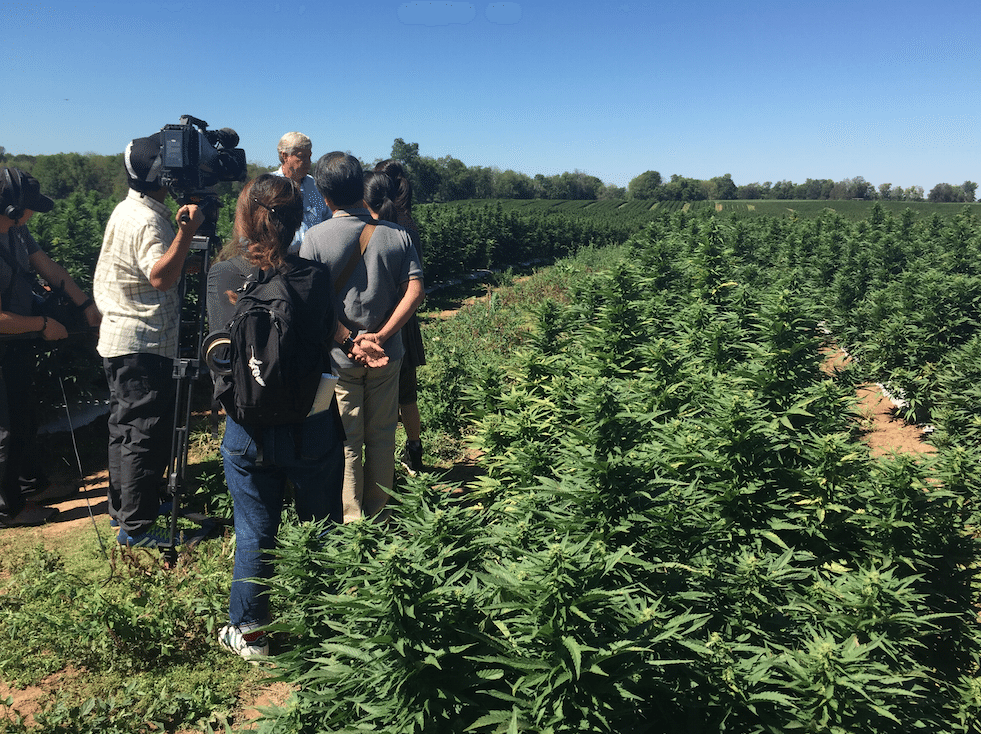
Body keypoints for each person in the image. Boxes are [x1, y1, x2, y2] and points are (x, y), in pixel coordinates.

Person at [207, 174, 378, 658]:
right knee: (320, 523)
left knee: (255, 527)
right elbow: (326, 330)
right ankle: (325, 622)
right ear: (298, 218)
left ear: (244, 217)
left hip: (249, 429)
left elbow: (222, 355)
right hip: (312, 421)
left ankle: (251, 631)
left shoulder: (224, 276)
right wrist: (351, 341)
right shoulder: (311, 273)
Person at [300, 153, 425, 523]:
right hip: (388, 356)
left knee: (348, 440)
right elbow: (415, 291)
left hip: (340, 359)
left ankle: (354, 520)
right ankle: (381, 514)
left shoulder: (315, 238)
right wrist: (382, 336)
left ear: (325, 196)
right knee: (383, 434)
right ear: (362, 188)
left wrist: (349, 339)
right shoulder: (397, 235)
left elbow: (311, 303)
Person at [93, 134, 204, 547]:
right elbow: (159, 275)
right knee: (144, 433)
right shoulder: (148, 220)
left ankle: (124, 513)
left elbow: (152, 269)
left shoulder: (130, 209)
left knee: (124, 430)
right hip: (144, 341)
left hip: (122, 338)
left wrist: (193, 260)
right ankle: (138, 529)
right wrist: (188, 231)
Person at [0, 169, 101, 527]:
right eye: (28, 209)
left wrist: (84, 304)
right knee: (4, 428)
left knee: (25, 419)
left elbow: (48, 267)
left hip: (17, 344)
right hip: (10, 336)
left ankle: (30, 487)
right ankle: (8, 510)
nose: (32, 215)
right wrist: (41, 325)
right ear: (11, 208)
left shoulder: (17, 232)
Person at [373, 160, 427, 474]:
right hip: (404, 318)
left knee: (379, 394)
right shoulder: (408, 225)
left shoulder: (376, 226)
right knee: (407, 393)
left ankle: (382, 464)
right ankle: (414, 451)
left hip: (379, 319)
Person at [272, 132, 329, 253]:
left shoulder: (315, 186)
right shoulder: (269, 186)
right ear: (285, 156)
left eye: (309, 156)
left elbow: (328, 219)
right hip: (282, 261)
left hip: (314, 261)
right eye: (301, 156)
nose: (308, 162)